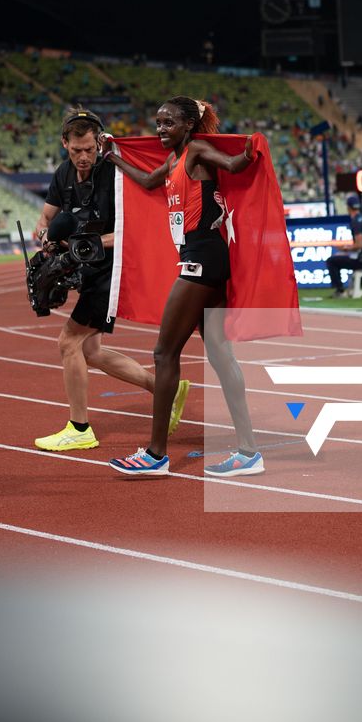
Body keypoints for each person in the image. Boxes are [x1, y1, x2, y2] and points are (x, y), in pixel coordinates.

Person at [106, 98, 264, 478]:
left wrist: (251, 148)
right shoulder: (175, 159)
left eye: (169, 123)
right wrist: (113, 157)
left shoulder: (196, 150)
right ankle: (249, 452)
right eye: (158, 122)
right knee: (220, 357)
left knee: (164, 353)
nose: (161, 129)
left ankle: (156, 454)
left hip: (203, 260)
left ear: (189, 125)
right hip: (203, 258)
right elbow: (147, 181)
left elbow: (232, 164)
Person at [29, 111, 169, 453]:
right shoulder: (63, 174)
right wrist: (43, 233)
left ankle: (80, 428)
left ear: (100, 142)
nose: (83, 157)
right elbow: (48, 215)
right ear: (65, 144)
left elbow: (132, 231)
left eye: (89, 149)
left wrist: (80, 243)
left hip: (111, 270)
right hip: (87, 271)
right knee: (89, 350)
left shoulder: (114, 174)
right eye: (76, 149)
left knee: (69, 343)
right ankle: (164, 388)